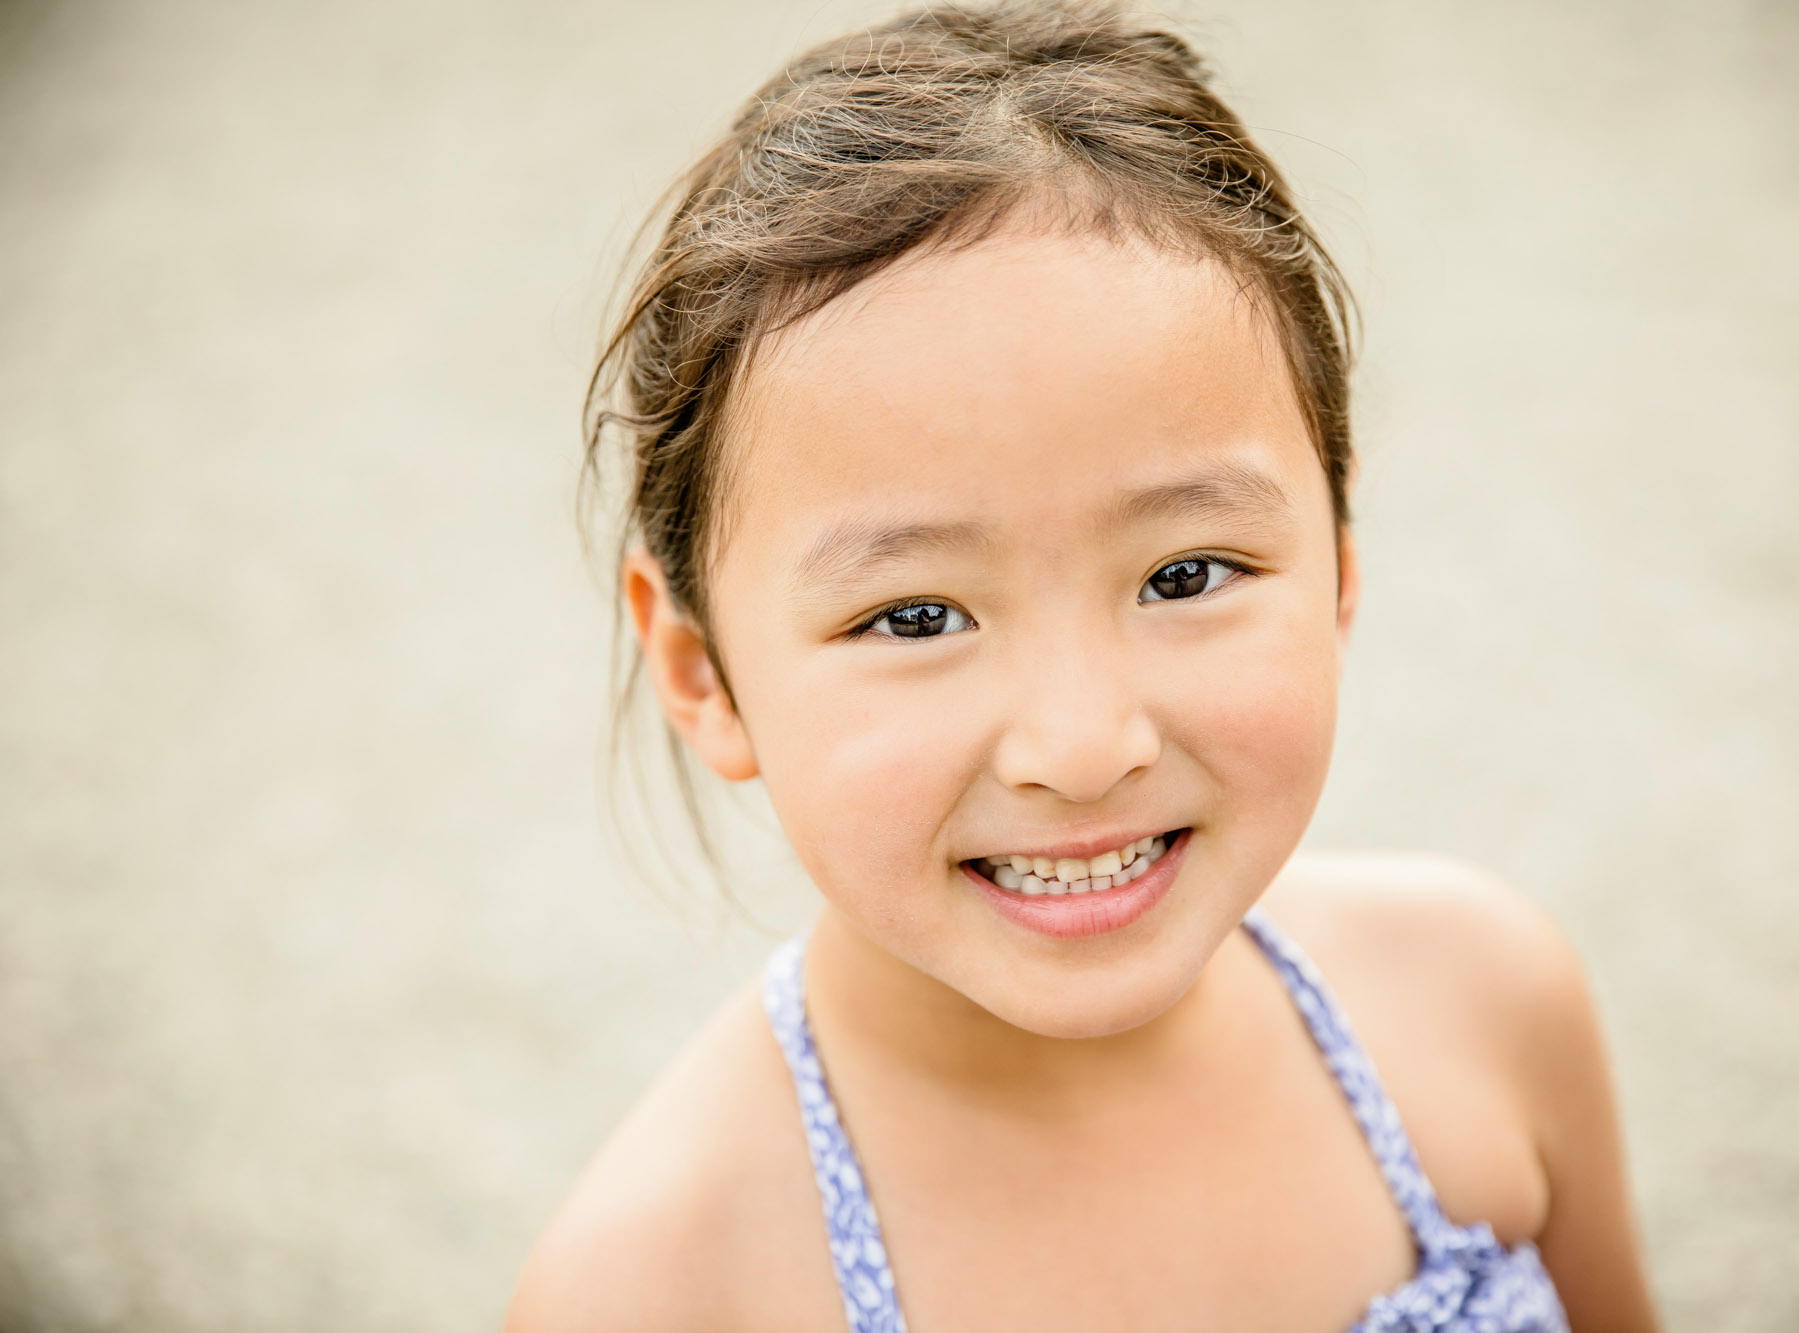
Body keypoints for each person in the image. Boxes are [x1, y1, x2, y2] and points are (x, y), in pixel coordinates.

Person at [506, 3, 1657, 1329]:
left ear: (1338, 564)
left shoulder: (1480, 1004)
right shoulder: (662, 1288)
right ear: (702, 670)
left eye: (1183, 575)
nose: (1081, 741)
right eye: (917, 615)